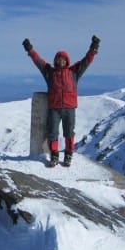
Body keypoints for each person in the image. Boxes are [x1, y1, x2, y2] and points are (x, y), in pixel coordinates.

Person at [23, 35, 100, 167]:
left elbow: (86, 61)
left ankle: (68, 155)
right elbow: (39, 61)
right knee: (52, 132)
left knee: (69, 133)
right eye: (59, 59)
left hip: (69, 108)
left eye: (63, 59)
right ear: (56, 60)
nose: (61, 61)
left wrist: (93, 47)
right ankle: (54, 155)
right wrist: (30, 50)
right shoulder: (50, 72)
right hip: (54, 108)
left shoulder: (74, 72)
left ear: (67, 61)